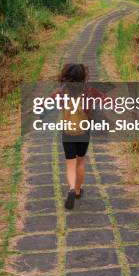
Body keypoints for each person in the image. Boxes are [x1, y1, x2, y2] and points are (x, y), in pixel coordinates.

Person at [56, 63, 106, 210]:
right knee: (81, 161)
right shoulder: (88, 92)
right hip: (84, 132)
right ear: (83, 78)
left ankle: (71, 188)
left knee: (70, 163)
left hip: (68, 132)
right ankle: (78, 191)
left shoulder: (62, 92)